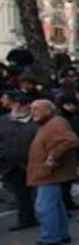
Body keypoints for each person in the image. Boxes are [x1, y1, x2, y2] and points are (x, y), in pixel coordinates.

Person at [25, 99, 79, 245]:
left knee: (44, 206)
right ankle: (61, 234)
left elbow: (70, 140)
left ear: (48, 110)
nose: (32, 111)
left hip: (49, 174)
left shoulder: (55, 123)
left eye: (36, 109)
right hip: (48, 173)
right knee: (54, 204)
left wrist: (52, 158)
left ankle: (50, 238)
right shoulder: (51, 123)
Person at [0, 92, 37, 231]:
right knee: (20, 193)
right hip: (10, 163)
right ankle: (26, 218)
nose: (17, 108)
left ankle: (30, 217)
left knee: (36, 192)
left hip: (31, 161)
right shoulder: (4, 120)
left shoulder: (35, 121)